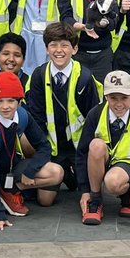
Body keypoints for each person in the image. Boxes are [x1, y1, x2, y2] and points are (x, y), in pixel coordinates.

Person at [0, 70, 64, 229]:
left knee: (56, 172)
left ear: (19, 102)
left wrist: (30, 170)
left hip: (11, 167)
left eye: (11, 101)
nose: (5, 106)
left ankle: (9, 191)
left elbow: (44, 146)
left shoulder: (23, 115)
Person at [25, 22, 102, 204]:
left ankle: (73, 173)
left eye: (65, 45)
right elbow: (36, 117)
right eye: (53, 45)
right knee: (45, 201)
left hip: (79, 147)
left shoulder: (85, 77)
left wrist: (85, 152)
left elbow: (93, 119)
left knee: (89, 189)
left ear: (74, 49)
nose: (59, 50)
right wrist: (43, 153)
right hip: (51, 146)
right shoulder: (38, 75)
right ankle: (63, 172)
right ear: (46, 49)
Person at [75, 70, 130, 225]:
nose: (119, 104)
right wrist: (84, 191)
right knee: (95, 145)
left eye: (124, 98)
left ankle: (129, 190)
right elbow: (82, 153)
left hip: (129, 164)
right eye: (113, 98)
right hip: (104, 161)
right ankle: (95, 200)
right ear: (106, 96)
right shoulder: (95, 114)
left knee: (113, 182)